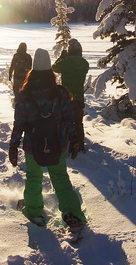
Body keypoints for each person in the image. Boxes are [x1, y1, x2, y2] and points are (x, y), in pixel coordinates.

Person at [9, 48, 85, 232]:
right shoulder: (61, 93)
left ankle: (34, 211)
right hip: (57, 144)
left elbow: (19, 123)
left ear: (32, 70)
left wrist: (13, 146)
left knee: (33, 178)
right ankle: (72, 213)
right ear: (50, 70)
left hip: (31, 146)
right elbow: (69, 120)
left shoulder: (25, 94)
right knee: (60, 177)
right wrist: (74, 140)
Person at [52, 39, 89, 152]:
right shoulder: (85, 63)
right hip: (79, 98)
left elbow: (54, 68)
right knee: (78, 122)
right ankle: (80, 144)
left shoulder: (65, 63)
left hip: (66, 98)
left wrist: (62, 58)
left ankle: (66, 143)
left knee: (65, 122)